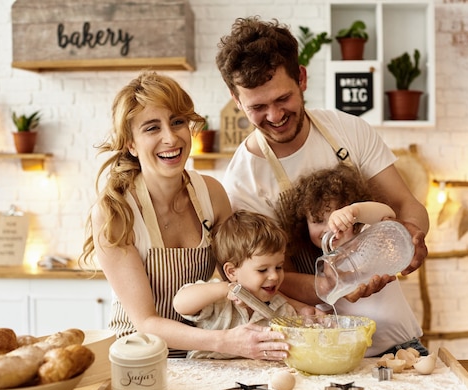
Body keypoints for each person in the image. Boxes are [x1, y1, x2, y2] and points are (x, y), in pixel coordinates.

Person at [215, 16, 429, 306]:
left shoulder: (349, 130)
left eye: (283, 99)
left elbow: (406, 204)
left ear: (301, 78)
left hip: (391, 319)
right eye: (258, 107)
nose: (275, 116)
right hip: (315, 330)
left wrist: (413, 233)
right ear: (236, 100)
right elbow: (273, 276)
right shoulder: (242, 182)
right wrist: (337, 283)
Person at [79, 71, 289, 360]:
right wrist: (226, 341)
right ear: (130, 144)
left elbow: (240, 276)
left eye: (177, 122)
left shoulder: (211, 195)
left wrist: (296, 310)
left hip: (202, 356)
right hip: (138, 359)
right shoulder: (115, 213)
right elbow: (146, 322)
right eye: (152, 128)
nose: (170, 137)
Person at [280, 164, 428, 357]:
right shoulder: (320, 268)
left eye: (337, 217)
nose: (329, 228)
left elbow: (387, 213)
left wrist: (355, 211)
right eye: (318, 221)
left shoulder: (368, 238)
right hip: (360, 357)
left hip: (403, 347)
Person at [173, 210, 319, 359]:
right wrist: (226, 289)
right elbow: (180, 303)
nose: (274, 276)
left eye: (279, 267)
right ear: (231, 272)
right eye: (262, 270)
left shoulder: (282, 309)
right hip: (205, 378)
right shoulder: (218, 301)